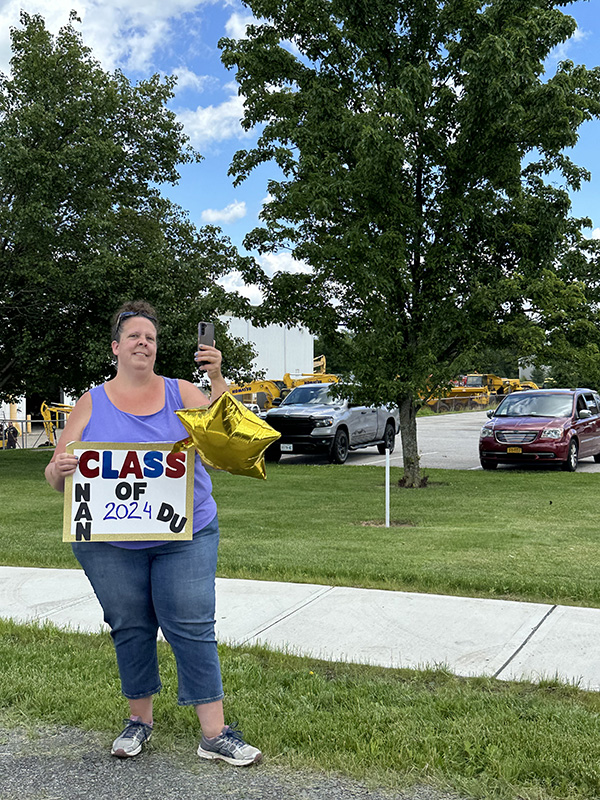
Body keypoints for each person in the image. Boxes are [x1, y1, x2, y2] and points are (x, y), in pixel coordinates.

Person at [45, 301, 261, 766]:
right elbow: (57, 475)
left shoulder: (182, 391)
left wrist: (218, 378)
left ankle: (215, 733)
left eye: (151, 337)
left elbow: (231, 440)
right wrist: (59, 468)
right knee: (130, 624)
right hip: (109, 542)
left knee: (191, 623)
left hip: (186, 531)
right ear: (116, 347)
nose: (144, 342)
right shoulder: (91, 401)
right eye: (134, 336)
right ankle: (138, 721)